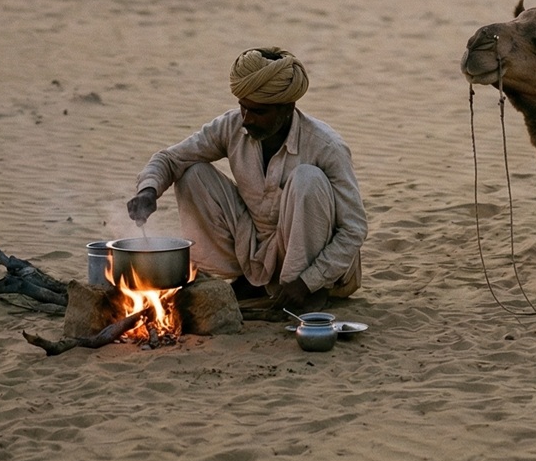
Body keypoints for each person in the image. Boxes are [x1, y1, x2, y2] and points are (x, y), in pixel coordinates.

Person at [127, 47, 366, 314]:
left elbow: (353, 228)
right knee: (191, 172)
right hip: (255, 248)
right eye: (243, 108)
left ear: (287, 109)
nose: (247, 119)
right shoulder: (233, 126)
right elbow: (170, 159)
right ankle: (254, 282)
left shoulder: (326, 146)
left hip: (313, 265)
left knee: (307, 179)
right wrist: (148, 190)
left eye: (259, 112)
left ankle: (305, 293)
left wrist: (308, 281)